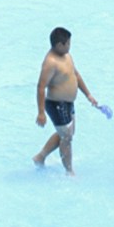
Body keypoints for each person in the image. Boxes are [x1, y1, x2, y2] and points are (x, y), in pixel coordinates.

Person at [33, 26, 99, 176]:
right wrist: (41, 112)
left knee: (67, 134)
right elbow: (41, 87)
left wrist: (88, 94)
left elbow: (76, 75)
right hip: (56, 104)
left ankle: (40, 157)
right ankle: (69, 171)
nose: (70, 46)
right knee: (67, 137)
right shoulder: (50, 63)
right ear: (58, 45)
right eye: (67, 44)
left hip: (68, 103)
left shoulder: (67, 56)